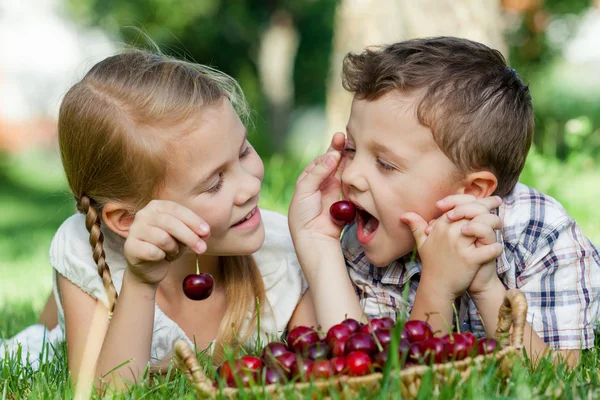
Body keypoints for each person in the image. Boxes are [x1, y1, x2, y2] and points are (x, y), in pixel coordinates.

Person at [1, 50, 316, 389]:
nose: (251, 186)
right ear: (127, 219)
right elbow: (107, 393)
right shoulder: (85, 252)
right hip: (97, 285)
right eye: (214, 184)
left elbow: (330, 363)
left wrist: (321, 249)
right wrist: (139, 283)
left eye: (243, 151)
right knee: (46, 334)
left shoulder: (283, 256)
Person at [289, 36, 600, 368]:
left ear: (471, 191)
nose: (350, 176)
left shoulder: (541, 234)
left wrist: (484, 286)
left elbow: (555, 375)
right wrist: (320, 244)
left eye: (385, 164)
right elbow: (365, 368)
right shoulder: (363, 240)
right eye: (351, 149)